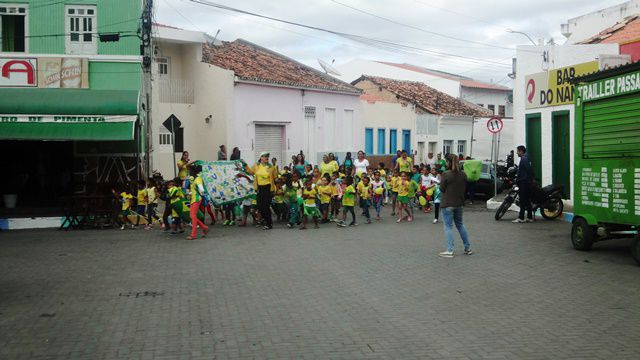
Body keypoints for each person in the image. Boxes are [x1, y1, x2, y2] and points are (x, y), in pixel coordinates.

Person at [438, 154, 472, 258]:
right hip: (459, 203)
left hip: (448, 203)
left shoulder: (446, 174)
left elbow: (442, 189)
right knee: (460, 225)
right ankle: (467, 248)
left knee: (448, 227)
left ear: (448, 162)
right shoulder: (463, 174)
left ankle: (450, 250)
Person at [244, 151, 278, 230]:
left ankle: (269, 224)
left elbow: (275, 178)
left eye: (267, 156)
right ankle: (266, 221)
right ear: (261, 158)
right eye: (265, 156)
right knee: (260, 207)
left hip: (268, 188)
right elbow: (250, 172)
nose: (266, 158)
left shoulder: (271, 167)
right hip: (259, 188)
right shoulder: (256, 166)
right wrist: (245, 165)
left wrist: (276, 189)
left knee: (266, 207)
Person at [187, 165, 209, 240]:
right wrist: (189, 193)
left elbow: (201, 189)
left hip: (196, 199)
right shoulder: (194, 179)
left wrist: (202, 192)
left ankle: (193, 234)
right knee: (192, 216)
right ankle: (205, 227)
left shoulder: (198, 178)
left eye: (189, 171)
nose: (188, 172)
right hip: (193, 199)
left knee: (193, 216)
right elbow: (194, 190)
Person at [513, 145, 534, 223]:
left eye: (518, 151)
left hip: (524, 182)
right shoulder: (526, 157)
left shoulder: (524, 159)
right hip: (526, 182)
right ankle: (529, 217)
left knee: (522, 201)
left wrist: (528, 179)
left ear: (521, 151)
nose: (517, 153)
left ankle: (521, 218)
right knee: (527, 200)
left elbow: (529, 169)